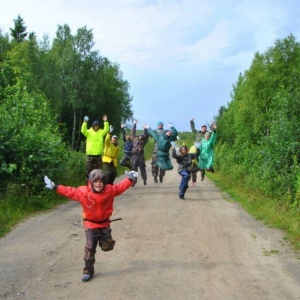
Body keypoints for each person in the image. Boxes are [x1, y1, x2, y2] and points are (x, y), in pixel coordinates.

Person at [44, 169, 138, 282]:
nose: (98, 184)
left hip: (104, 224)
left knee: (107, 246)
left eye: (101, 181)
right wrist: (55, 187)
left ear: (104, 182)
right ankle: (88, 271)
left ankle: (106, 242)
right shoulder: (83, 192)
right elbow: (69, 191)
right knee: (90, 248)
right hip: (91, 225)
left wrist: (130, 179)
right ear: (91, 182)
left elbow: (120, 187)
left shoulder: (110, 190)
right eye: (95, 181)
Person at [81, 114, 109, 182]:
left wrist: (105, 121)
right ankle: (88, 185)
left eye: (97, 126)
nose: (96, 127)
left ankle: (98, 186)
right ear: (93, 126)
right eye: (95, 126)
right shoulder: (88, 132)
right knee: (88, 171)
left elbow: (106, 129)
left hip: (98, 156)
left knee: (98, 172)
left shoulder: (101, 132)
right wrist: (85, 122)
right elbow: (83, 130)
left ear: (98, 126)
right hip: (90, 155)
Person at [131, 120, 149, 185]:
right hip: (134, 156)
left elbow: (146, 136)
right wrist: (134, 124)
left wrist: (145, 129)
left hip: (140, 156)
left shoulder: (143, 142)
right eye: (140, 135)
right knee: (134, 169)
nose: (141, 136)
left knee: (142, 168)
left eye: (142, 136)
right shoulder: (134, 140)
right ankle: (134, 181)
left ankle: (144, 179)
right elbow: (133, 132)